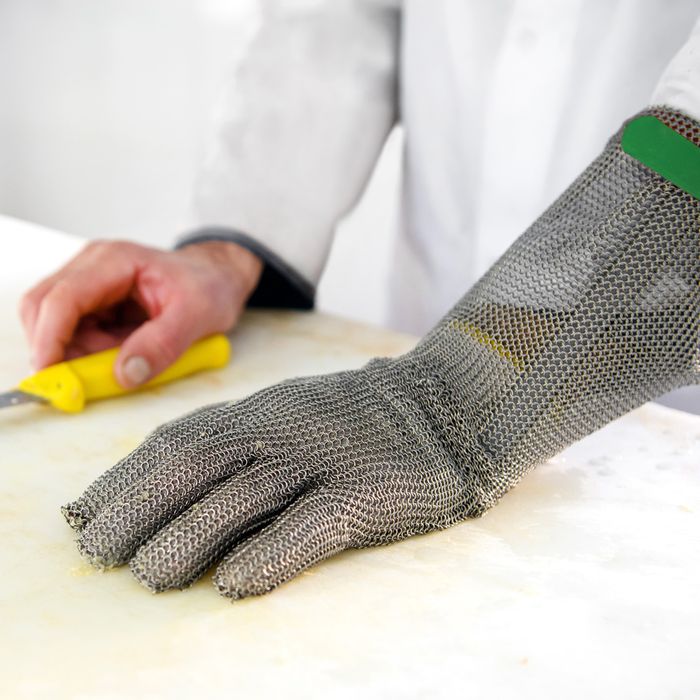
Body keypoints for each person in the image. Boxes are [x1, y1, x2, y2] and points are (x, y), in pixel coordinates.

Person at [22, 1, 700, 599]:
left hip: (663, 436)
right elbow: (333, 15)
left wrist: (450, 408)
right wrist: (229, 249)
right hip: (425, 328)